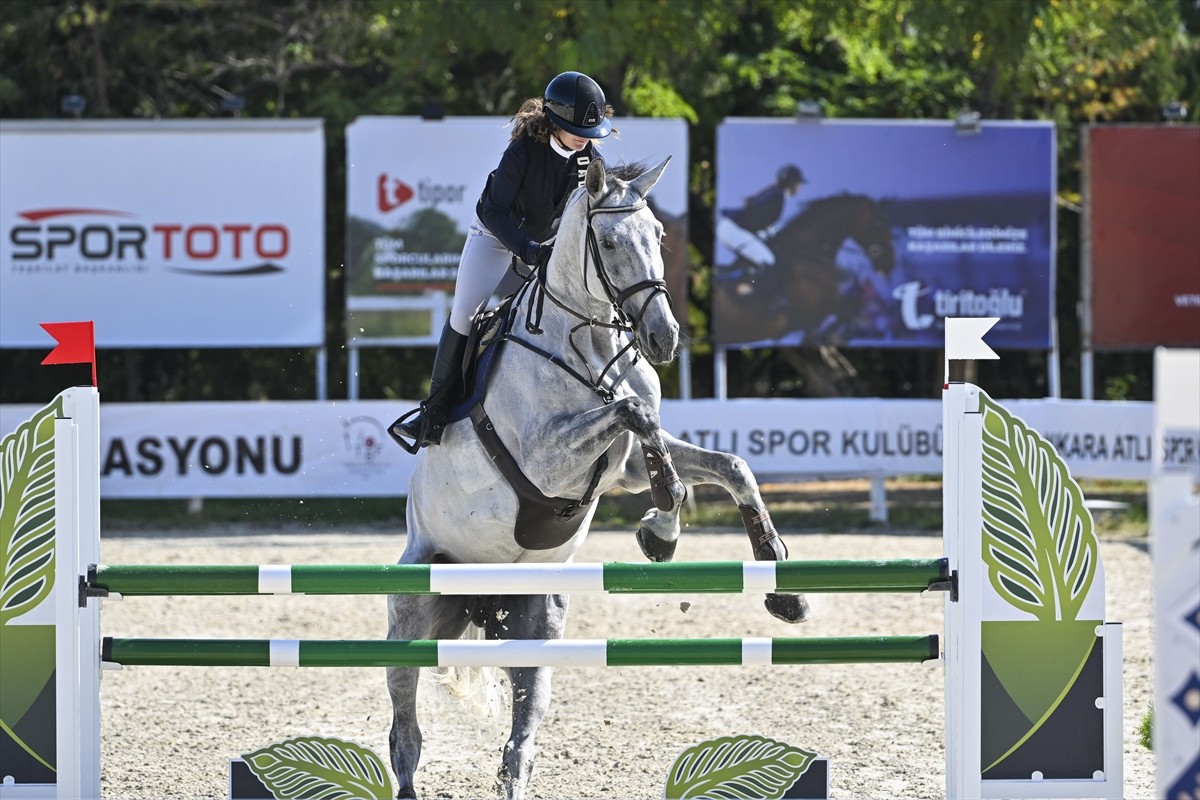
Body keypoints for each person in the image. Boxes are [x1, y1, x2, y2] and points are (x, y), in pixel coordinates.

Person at [390, 71, 615, 451]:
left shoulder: (589, 159)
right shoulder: (523, 152)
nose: (585, 138)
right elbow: (495, 212)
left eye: (590, 131)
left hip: (547, 242)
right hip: (495, 235)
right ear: (555, 122)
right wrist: (528, 250)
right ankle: (433, 412)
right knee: (466, 313)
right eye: (578, 129)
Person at [716, 164, 806, 272]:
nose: (800, 187)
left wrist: (766, 232)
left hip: (731, 227)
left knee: (753, 259)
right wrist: (766, 232)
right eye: (799, 183)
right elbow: (754, 217)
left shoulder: (776, 193)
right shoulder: (778, 196)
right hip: (733, 229)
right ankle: (746, 283)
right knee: (767, 260)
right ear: (792, 183)